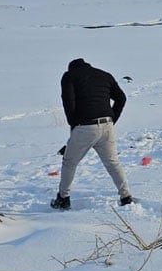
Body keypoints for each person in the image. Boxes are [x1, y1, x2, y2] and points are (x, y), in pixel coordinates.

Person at [52, 58, 133, 209]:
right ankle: (126, 196)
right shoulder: (104, 75)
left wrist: (74, 125)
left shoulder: (69, 76)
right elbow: (121, 98)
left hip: (85, 127)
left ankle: (63, 198)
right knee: (113, 163)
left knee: (69, 162)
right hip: (107, 126)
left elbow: (68, 102)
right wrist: (111, 119)